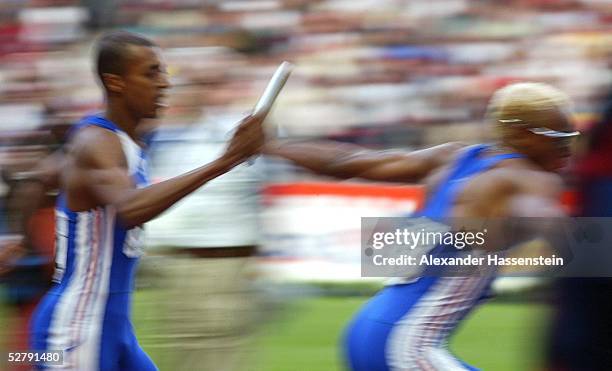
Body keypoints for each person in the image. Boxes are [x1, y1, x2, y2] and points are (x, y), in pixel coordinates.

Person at [263, 82, 578, 370]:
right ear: (523, 133)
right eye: (559, 138)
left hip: (365, 332)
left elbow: (346, 161)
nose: (568, 149)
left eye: (572, 138)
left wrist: (270, 146)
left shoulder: (452, 158)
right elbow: (546, 218)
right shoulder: (533, 181)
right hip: (407, 348)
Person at [28, 31, 265, 371]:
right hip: (78, 325)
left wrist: (19, 241)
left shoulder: (126, 140)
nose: (165, 83)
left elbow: (38, 179)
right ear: (116, 83)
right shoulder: (97, 141)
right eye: (151, 73)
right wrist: (223, 162)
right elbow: (130, 209)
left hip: (113, 324)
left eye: (164, 72)